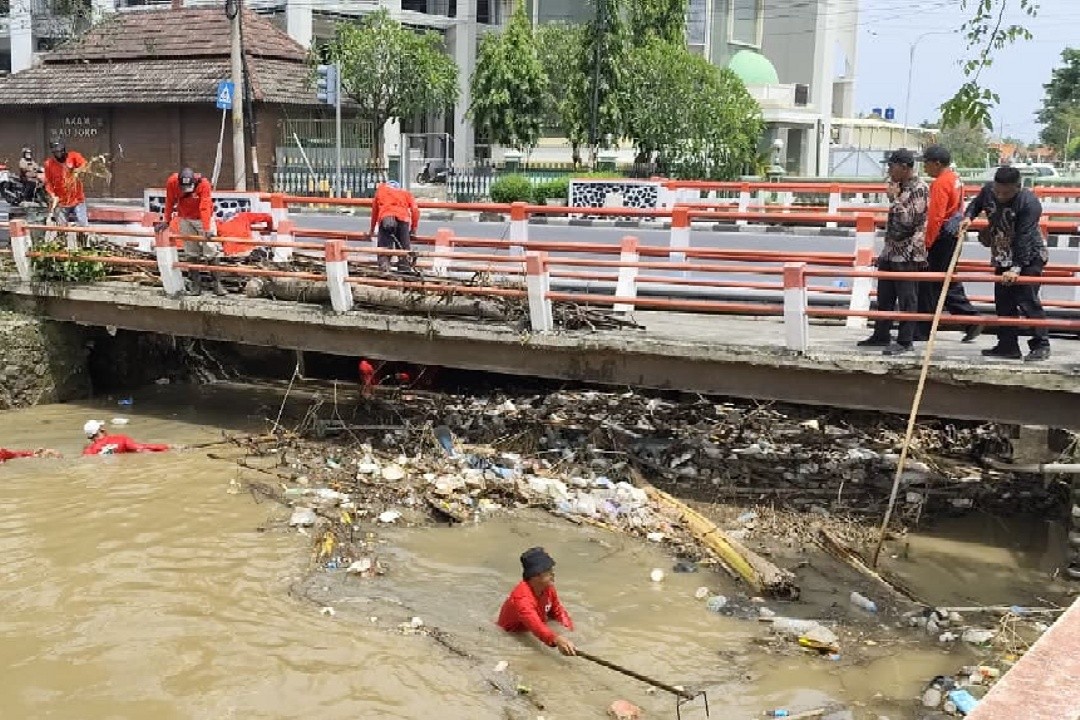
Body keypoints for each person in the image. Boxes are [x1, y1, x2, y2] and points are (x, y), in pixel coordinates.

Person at [959, 165, 1051, 361]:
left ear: (1017, 187)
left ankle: (1041, 344)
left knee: (1027, 300)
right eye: (997, 191)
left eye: (1006, 193)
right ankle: (1007, 345)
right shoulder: (988, 190)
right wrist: (968, 218)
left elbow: (1024, 238)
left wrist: (1016, 268)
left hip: (1029, 256)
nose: (1000, 196)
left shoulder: (1029, 203)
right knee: (1003, 302)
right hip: (1002, 254)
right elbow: (975, 204)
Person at [857, 148, 929, 355]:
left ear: (904, 167)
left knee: (907, 297)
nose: (889, 170)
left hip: (908, 251)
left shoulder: (919, 188)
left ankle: (905, 340)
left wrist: (895, 200)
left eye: (891, 166)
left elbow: (910, 221)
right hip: (891, 250)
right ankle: (881, 333)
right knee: (885, 295)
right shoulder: (901, 186)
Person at [917, 144, 981, 342]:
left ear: (936, 163)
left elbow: (936, 216)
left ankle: (967, 319)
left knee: (934, 281)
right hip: (952, 234)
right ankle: (966, 320)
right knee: (943, 279)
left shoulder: (940, 184)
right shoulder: (955, 179)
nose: (925, 168)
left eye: (926, 164)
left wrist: (927, 243)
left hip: (942, 237)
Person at [497, 547, 576, 656]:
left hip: (535, 627)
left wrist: (569, 632)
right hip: (513, 634)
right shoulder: (521, 599)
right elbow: (536, 626)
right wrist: (557, 639)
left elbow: (558, 611)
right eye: (549, 572)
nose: (553, 575)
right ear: (536, 576)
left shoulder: (547, 588)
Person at [160, 167, 225, 296]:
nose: (186, 190)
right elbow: (169, 201)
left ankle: (217, 283)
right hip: (185, 217)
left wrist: (206, 229)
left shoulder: (204, 184)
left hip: (203, 218)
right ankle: (196, 284)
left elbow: (205, 206)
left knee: (211, 248)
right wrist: (166, 220)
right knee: (191, 250)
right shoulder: (172, 182)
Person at [370, 180, 420, 273]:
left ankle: (384, 272)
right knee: (404, 252)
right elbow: (415, 211)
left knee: (384, 251)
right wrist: (413, 229)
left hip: (386, 219)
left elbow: (374, 212)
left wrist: (372, 230)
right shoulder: (405, 193)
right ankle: (405, 274)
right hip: (403, 220)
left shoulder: (381, 191)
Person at [43, 139, 88, 227]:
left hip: (77, 199)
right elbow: (48, 182)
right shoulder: (49, 164)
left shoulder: (74, 156)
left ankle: (82, 240)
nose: (59, 153)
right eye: (56, 151)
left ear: (64, 149)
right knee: (61, 228)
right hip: (61, 201)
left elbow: (85, 165)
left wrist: (77, 170)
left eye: (60, 150)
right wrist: (52, 195)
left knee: (83, 226)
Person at [81, 419, 171, 456]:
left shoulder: (88, 451)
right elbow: (142, 448)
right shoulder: (120, 439)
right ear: (101, 429)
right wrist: (168, 447)